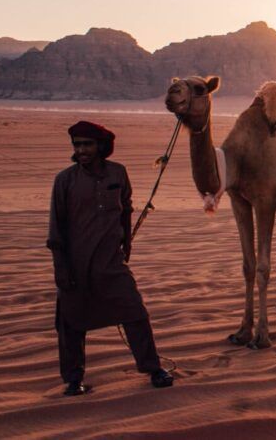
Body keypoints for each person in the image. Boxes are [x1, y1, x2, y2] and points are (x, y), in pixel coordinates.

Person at [47, 121, 173, 396]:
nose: (81, 150)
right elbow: (56, 230)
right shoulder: (65, 181)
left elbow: (125, 209)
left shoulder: (118, 173)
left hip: (111, 264)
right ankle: (73, 379)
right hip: (75, 265)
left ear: (101, 147)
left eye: (87, 144)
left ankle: (153, 368)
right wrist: (61, 268)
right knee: (71, 324)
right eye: (77, 144)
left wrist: (126, 242)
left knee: (135, 313)